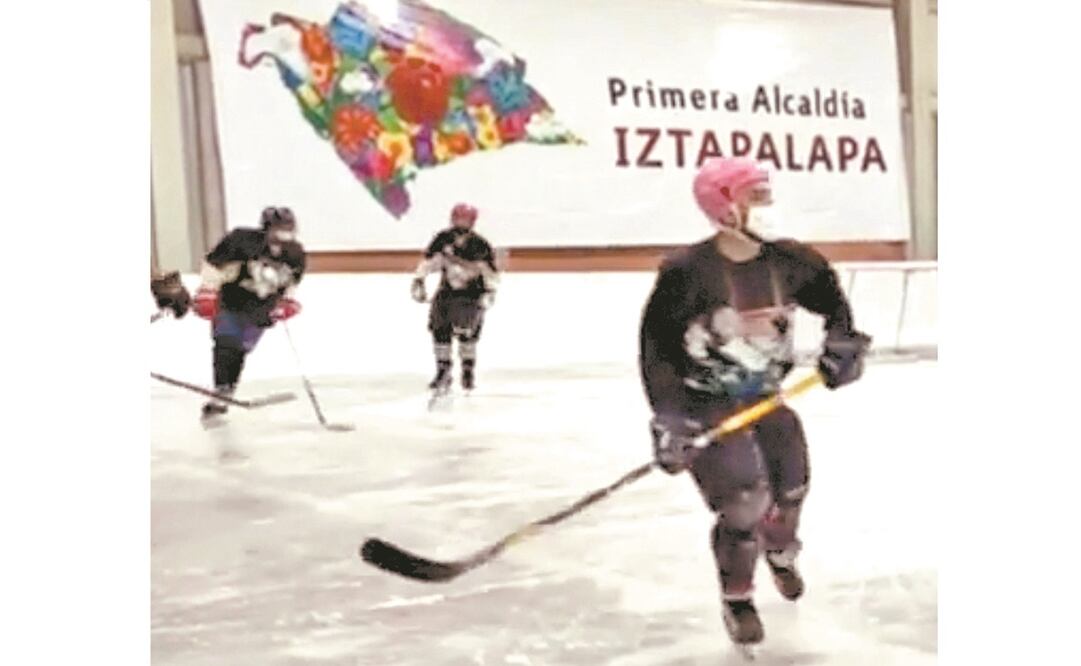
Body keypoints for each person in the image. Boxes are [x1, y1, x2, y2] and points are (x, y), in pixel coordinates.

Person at [639, 157, 871, 648]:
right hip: (707, 403)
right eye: (756, 196)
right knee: (744, 500)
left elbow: (832, 304)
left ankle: (781, 551)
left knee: (792, 488)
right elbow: (656, 349)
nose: (769, 205)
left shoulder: (791, 261)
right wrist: (669, 418)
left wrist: (844, 343)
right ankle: (738, 595)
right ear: (724, 206)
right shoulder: (687, 272)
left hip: (766, 397)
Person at [192, 206, 306, 418]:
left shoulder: (295, 253)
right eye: (279, 229)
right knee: (226, 343)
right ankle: (222, 390)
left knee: (240, 350)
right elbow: (213, 264)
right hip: (232, 301)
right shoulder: (241, 240)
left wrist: (287, 302)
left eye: (288, 229)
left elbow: (292, 282)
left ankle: (227, 389)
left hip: (261, 309)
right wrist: (207, 290)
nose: (284, 235)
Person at [411, 203, 499, 392]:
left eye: (465, 219)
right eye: (458, 218)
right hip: (447, 291)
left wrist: (490, 291)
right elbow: (431, 261)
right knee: (439, 328)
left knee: (467, 333)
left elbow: (489, 272)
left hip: (472, 294)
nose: (461, 222)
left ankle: (468, 370)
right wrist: (419, 278)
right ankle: (443, 369)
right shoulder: (442, 239)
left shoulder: (480, 245)